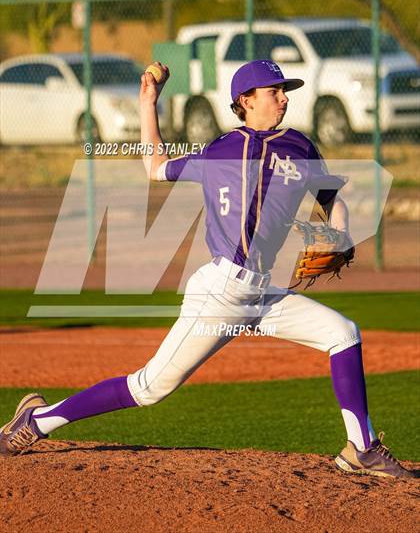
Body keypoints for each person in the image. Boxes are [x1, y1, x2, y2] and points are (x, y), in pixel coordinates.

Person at [0, 60, 411, 479]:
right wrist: (148, 102)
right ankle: (38, 421)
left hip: (262, 293)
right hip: (222, 293)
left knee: (342, 333)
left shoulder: (299, 146)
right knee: (148, 387)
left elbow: (331, 198)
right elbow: (155, 168)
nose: (284, 98)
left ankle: (362, 449)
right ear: (245, 101)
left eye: (285, 91)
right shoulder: (221, 150)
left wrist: (340, 233)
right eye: (274, 91)